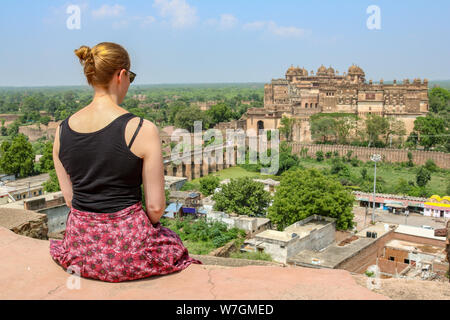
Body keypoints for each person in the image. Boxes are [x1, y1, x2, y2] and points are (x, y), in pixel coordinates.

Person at [49, 42, 202, 282]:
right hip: (128, 250)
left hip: (80, 250)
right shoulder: (142, 129)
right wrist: (129, 229)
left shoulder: (61, 131)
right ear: (121, 75)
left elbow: (71, 200)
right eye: (130, 76)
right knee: (173, 243)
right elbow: (155, 208)